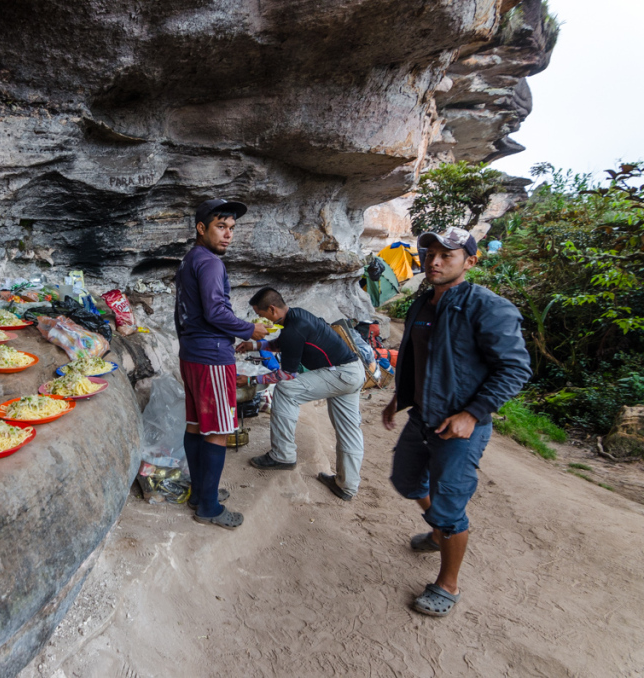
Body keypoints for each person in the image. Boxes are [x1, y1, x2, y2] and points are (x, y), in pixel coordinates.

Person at [383, 226, 531, 617]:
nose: (434, 261)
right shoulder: (423, 302)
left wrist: (473, 413)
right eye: (430, 253)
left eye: (447, 255)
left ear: (470, 261)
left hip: (459, 428)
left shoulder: (488, 307)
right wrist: (400, 398)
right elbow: (418, 359)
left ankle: (447, 583)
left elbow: (515, 369)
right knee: (407, 480)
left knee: (449, 508)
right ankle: (438, 529)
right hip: (422, 416)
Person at [176, 198, 268, 530]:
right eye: (220, 227)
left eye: (231, 228)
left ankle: (200, 494)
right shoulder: (211, 263)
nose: (228, 235)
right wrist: (250, 329)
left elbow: (185, 313)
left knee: (196, 426)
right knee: (217, 431)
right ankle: (210, 507)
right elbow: (216, 313)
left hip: (191, 353)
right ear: (201, 228)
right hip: (211, 357)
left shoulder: (190, 260)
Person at [235, 288, 366, 500]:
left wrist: (250, 380)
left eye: (261, 315)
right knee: (349, 429)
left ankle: (282, 455)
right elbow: (284, 344)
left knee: (286, 390)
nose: (261, 321)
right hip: (352, 370)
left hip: (340, 375)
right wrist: (254, 345)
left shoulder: (292, 329)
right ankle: (346, 486)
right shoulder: (297, 315)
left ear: (272, 309)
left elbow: (287, 375)